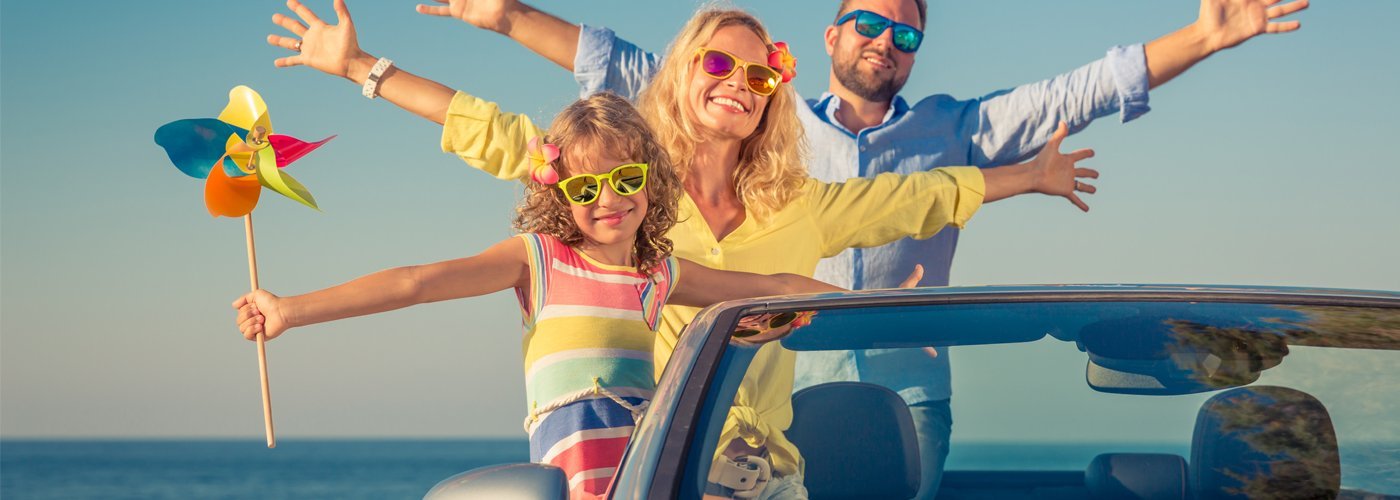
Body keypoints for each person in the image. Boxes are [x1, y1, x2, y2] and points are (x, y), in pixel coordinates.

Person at [414, 0, 1307, 496]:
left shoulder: (936, 135)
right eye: (868, 23)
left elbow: (1064, 98)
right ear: (832, 36)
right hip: (712, 412)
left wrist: (1200, 37)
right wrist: (496, 20)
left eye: (907, 33)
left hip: (887, 393)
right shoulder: (704, 137)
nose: (886, 41)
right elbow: (598, 80)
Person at [267, 2, 1098, 497]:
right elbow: (497, 134)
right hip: (651, 465)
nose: (739, 80)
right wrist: (361, 68)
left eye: (759, 73)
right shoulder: (621, 186)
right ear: (681, 71)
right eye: (717, 61)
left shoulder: (801, 207)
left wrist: (1029, 175)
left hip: (764, 476)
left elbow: (920, 195)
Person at [230, 92, 861, 499]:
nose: (608, 199)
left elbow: (772, 287)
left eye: (625, 179)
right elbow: (416, 282)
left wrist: (870, 308)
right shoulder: (538, 259)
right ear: (558, 193)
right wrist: (289, 310)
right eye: (584, 188)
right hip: (574, 479)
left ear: (651, 181)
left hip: (648, 474)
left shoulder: (657, 273)